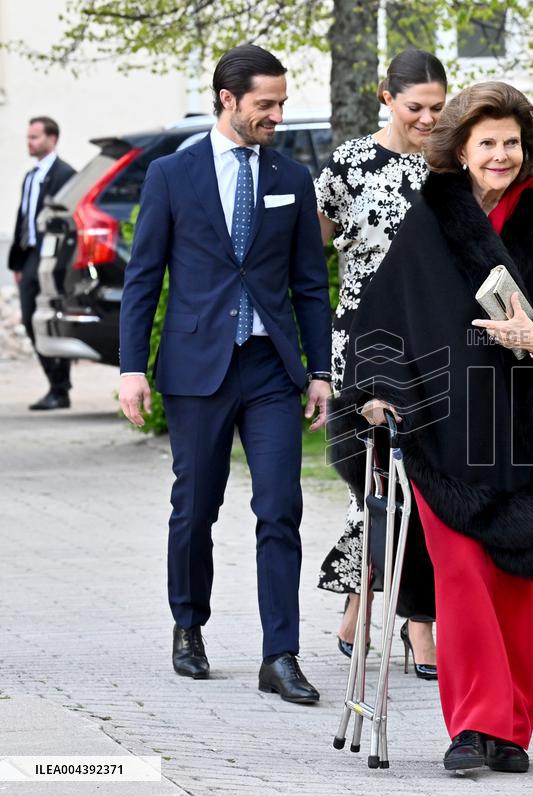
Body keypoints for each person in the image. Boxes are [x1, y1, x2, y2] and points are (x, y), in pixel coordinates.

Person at [328, 81, 533, 774]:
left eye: (511, 143)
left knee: (516, 581)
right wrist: (375, 397)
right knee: (460, 576)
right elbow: (381, 325)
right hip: (441, 431)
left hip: (527, 435)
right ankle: (471, 727)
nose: (501, 155)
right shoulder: (428, 222)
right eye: (486, 142)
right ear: (458, 149)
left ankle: (511, 730)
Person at [118, 45, 332, 704]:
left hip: (270, 367)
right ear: (227, 100)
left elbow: (308, 285)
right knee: (196, 508)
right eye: (266, 104)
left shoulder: (293, 178)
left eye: (282, 103)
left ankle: (281, 654)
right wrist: (132, 368)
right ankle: (189, 625)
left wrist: (320, 368)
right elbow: (143, 277)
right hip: (196, 367)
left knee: (280, 508)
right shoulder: (171, 176)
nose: (277, 114)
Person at [314, 49, 447, 680]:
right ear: (385, 97)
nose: (426, 119)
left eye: (437, 108)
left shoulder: (450, 165)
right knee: (376, 482)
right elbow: (305, 261)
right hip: (362, 346)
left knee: (423, 485)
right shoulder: (349, 165)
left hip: (433, 344)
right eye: (415, 107)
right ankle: (397, 614)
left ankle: (395, 611)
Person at [8, 116, 76, 410]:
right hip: (29, 257)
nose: (30, 143)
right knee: (28, 318)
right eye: (28, 137)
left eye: (35, 137)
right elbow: (24, 218)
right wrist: (18, 263)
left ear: (52, 139)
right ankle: (57, 382)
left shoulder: (65, 174)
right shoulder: (30, 176)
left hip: (52, 258)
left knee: (51, 320)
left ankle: (59, 388)